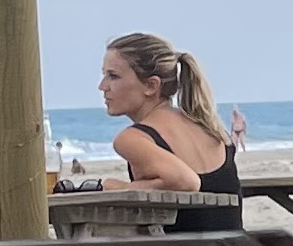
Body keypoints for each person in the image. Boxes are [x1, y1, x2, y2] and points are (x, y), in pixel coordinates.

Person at [100, 29, 243, 228]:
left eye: (113, 76)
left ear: (151, 86)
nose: (102, 86)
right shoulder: (208, 126)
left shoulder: (133, 139)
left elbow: (188, 182)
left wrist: (119, 187)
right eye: (104, 75)